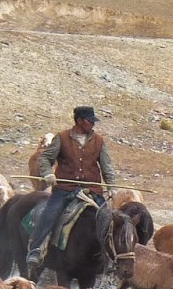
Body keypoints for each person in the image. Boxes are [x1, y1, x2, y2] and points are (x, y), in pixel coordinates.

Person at [26, 106, 116, 277]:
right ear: (80, 121)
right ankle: (36, 249)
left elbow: (107, 166)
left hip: (92, 189)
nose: (93, 124)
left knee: (108, 220)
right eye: (90, 121)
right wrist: (47, 174)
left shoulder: (99, 141)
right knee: (49, 214)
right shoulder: (61, 138)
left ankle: (110, 258)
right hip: (65, 188)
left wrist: (111, 187)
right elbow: (45, 158)